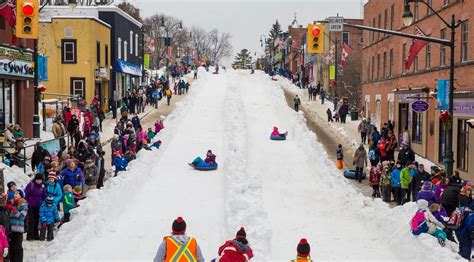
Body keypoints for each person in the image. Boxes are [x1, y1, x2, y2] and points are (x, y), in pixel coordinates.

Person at [25, 173, 46, 241]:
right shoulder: (31, 185)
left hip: (38, 206)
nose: (39, 181)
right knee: (31, 221)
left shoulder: (42, 186)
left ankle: (36, 235)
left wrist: (43, 202)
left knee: (37, 221)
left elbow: (44, 195)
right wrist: (28, 202)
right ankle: (30, 236)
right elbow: (26, 195)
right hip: (31, 206)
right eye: (37, 180)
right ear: (35, 179)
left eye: (40, 180)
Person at [9, 190, 27, 262]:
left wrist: (14, 210)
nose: (15, 195)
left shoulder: (23, 204)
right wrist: (12, 209)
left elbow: (22, 216)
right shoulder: (12, 203)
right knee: (11, 248)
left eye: (17, 194)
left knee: (17, 248)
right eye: (15, 194)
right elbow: (9, 215)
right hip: (11, 229)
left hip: (18, 229)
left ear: (21, 195)